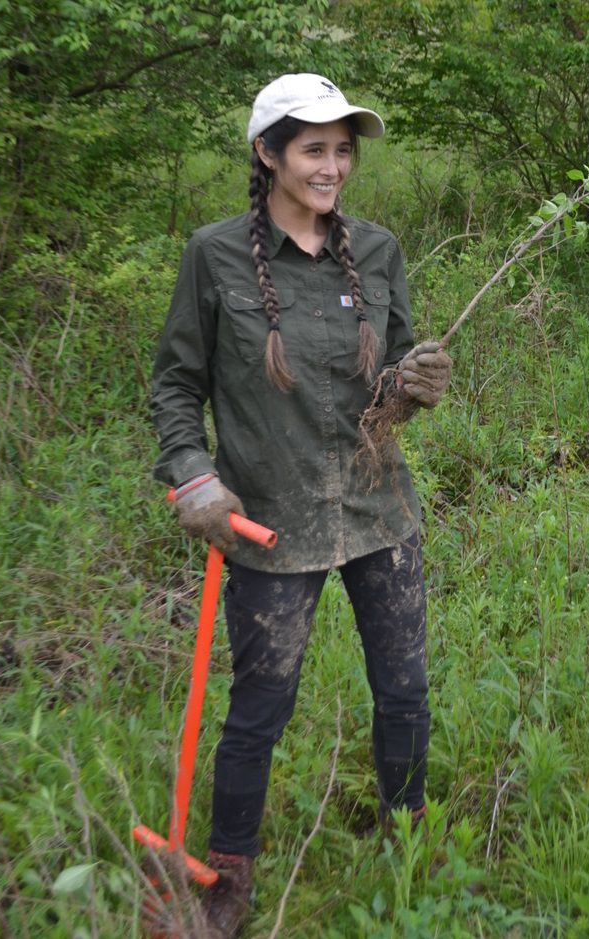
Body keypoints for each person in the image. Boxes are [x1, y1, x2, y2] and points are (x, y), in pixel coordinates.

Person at [150, 73, 452, 938]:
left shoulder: (379, 249)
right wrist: (191, 473)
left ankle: (406, 837)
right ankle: (227, 875)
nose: (333, 166)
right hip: (272, 523)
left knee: (404, 690)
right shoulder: (213, 256)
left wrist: (416, 384)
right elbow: (176, 384)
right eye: (315, 148)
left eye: (344, 149)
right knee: (260, 706)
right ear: (268, 153)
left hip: (377, 512)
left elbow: (391, 373)